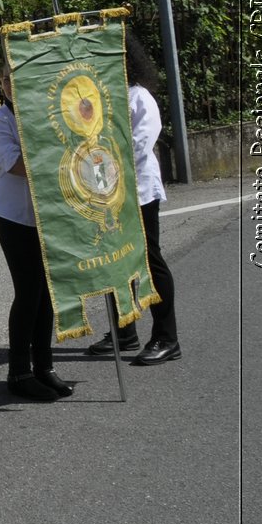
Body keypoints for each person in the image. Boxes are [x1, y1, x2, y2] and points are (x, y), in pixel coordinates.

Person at [88, 33, 181, 365]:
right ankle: (125, 330)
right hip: (104, 192)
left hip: (136, 190)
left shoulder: (138, 97)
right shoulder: (98, 99)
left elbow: (139, 146)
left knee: (148, 260)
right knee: (114, 262)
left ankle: (167, 337)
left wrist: (109, 174)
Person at [0, 65, 72, 401]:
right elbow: (15, 164)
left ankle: (44, 366)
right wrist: (58, 159)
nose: (12, 85)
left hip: (48, 213)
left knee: (48, 292)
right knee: (28, 291)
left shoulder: (49, 114)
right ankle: (18, 372)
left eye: (19, 78)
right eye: (7, 79)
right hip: (15, 216)